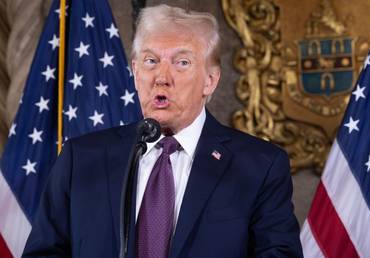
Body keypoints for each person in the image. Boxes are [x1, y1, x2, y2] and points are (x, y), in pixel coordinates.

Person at [23, 4, 302, 258]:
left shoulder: (259, 166)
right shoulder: (81, 159)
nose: (161, 77)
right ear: (134, 72)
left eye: (182, 63)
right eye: (150, 61)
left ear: (210, 80)